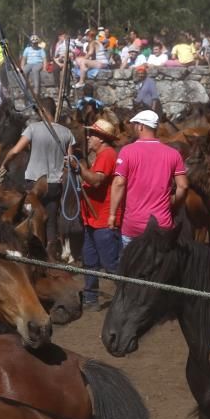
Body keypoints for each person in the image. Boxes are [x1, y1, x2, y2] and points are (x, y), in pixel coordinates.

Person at [1, 97, 75, 257]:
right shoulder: (66, 132)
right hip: (55, 184)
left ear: (43, 111)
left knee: (30, 217)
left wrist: (5, 163)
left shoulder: (33, 129)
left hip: (35, 184)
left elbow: (15, 151)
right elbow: (70, 161)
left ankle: (30, 252)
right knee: (51, 220)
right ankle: (50, 252)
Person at [108, 109, 188, 248]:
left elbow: (119, 183)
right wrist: (174, 203)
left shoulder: (127, 151)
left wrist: (112, 214)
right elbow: (183, 186)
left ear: (140, 126)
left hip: (133, 226)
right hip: (162, 225)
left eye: (135, 125)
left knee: (131, 268)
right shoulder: (173, 154)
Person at [78, 118, 123, 310]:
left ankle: (126, 297)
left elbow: (96, 180)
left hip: (103, 219)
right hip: (92, 218)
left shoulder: (107, 155)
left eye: (93, 135)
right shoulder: (101, 155)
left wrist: (78, 168)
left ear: (102, 139)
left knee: (110, 264)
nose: (89, 138)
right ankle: (90, 298)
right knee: (89, 260)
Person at [21, 35, 46, 100]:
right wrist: (22, 66)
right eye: (33, 43)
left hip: (38, 63)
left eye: (35, 43)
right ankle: (24, 89)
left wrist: (44, 67)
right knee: (24, 71)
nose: (34, 44)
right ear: (31, 43)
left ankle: (36, 91)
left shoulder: (40, 49)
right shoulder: (27, 49)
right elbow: (24, 58)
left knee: (35, 70)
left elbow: (44, 59)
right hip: (29, 63)